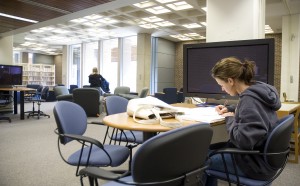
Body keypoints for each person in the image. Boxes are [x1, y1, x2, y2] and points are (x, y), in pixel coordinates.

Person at [205, 57, 281, 185]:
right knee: (206, 151)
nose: (222, 89)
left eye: (222, 85)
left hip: (254, 164)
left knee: (198, 161)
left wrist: (229, 118)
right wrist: (230, 109)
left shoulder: (249, 100)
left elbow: (242, 141)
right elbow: (252, 111)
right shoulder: (258, 92)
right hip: (264, 158)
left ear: (230, 81)